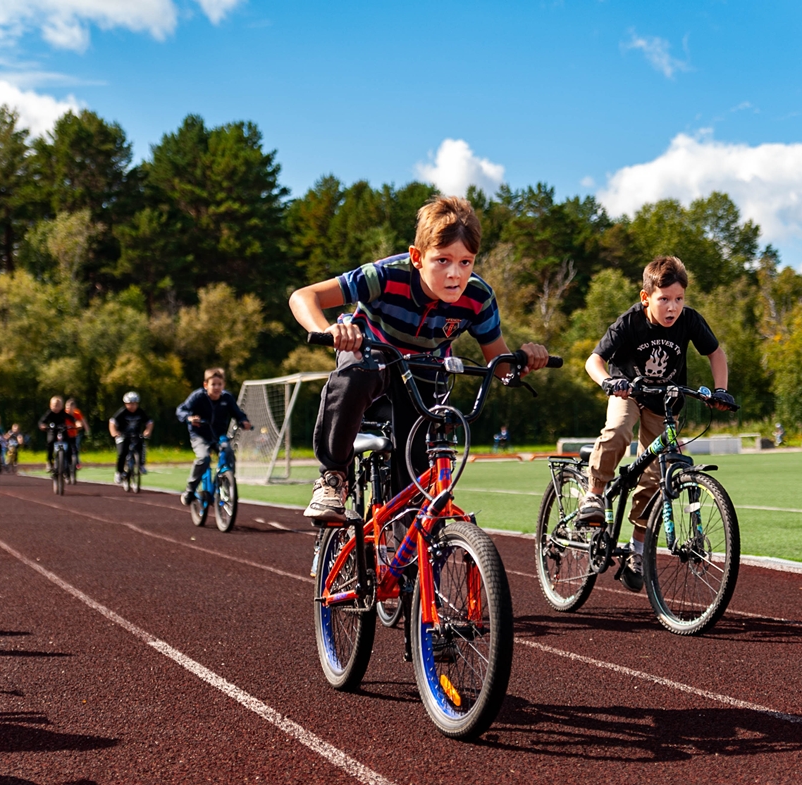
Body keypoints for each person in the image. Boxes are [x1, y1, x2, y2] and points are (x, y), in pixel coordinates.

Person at [288, 194, 550, 523]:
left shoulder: (478, 297)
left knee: (414, 482)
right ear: (417, 257)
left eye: (465, 262)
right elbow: (303, 297)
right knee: (358, 370)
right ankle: (333, 479)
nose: (455, 274)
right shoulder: (385, 275)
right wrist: (329, 330)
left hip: (423, 374)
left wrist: (525, 359)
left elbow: (500, 365)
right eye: (442, 260)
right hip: (371, 356)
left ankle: (408, 536)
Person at [581, 255, 735, 592]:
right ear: (646, 297)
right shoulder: (630, 322)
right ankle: (594, 494)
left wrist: (720, 390)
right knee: (619, 431)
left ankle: (637, 550)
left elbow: (716, 353)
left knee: (655, 477)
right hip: (628, 393)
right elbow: (594, 360)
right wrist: (608, 382)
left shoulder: (690, 320)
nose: (673, 307)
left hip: (664, 403)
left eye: (679, 299)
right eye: (664, 299)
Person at [176, 368, 252, 506]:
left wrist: (244, 421)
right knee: (204, 458)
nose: (217, 387)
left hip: (219, 436)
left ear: (223, 385)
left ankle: (227, 484)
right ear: (206, 385)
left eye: (220, 384)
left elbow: (237, 413)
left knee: (228, 453)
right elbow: (181, 410)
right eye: (213, 384)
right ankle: (190, 490)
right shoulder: (198, 396)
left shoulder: (227, 398)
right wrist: (189, 418)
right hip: (199, 435)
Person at [111, 391, 154, 483]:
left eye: (134, 404)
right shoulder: (122, 412)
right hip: (122, 435)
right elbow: (112, 422)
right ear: (125, 404)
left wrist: (147, 431)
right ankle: (119, 472)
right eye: (130, 404)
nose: (132, 406)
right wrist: (114, 432)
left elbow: (149, 422)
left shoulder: (140, 412)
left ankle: (141, 465)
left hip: (136, 435)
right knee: (122, 453)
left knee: (142, 446)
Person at [38, 396, 76, 474]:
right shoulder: (49, 413)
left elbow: (72, 419)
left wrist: (77, 423)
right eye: (54, 406)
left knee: (69, 443)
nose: (56, 408)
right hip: (52, 431)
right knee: (50, 442)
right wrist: (42, 426)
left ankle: (69, 463)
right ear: (50, 405)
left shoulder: (63, 413)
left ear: (62, 406)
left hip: (62, 431)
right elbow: (42, 421)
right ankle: (49, 461)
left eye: (58, 406)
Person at [65, 398, 87, 470]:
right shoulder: (64, 414)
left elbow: (81, 421)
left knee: (75, 448)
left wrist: (84, 427)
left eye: (71, 408)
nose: (69, 409)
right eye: (67, 407)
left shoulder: (76, 413)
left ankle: (77, 463)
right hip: (65, 434)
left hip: (73, 434)